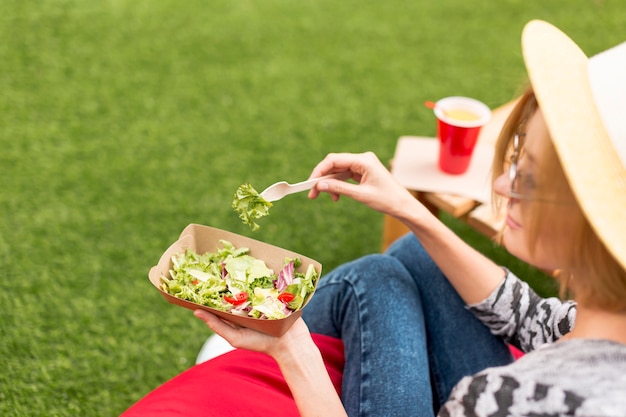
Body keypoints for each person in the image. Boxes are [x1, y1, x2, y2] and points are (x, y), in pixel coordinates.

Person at [121, 19, 626, 416]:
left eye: (530, 179)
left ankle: (248, 350)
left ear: (593, 217)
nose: (500, 185)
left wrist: (292, 349)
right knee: (407, 249)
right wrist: (410, 208)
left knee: (373, 276)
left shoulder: (507, 399)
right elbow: (536, 321)